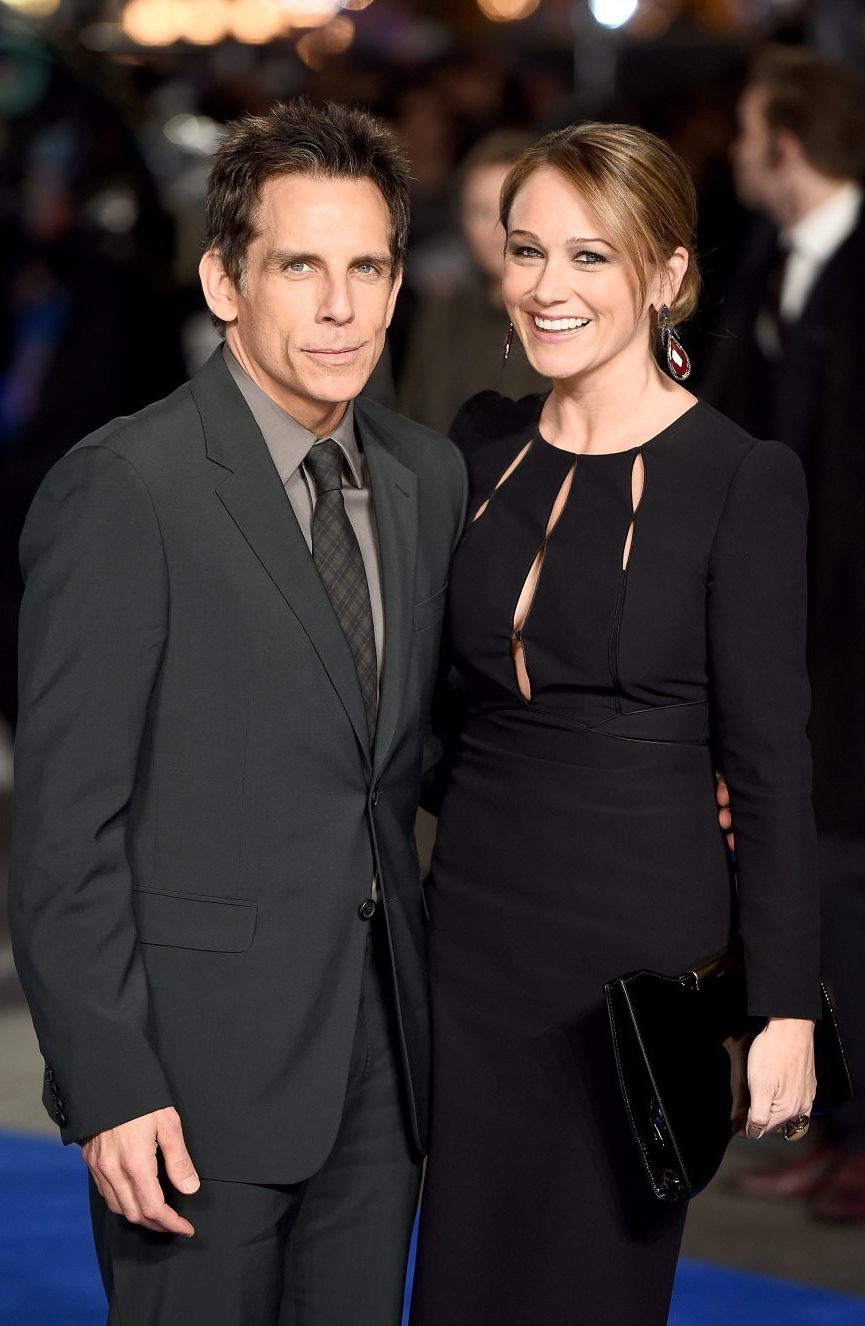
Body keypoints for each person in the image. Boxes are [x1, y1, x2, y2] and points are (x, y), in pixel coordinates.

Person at [8, 99, 467, 1326]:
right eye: (300, 266)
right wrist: (108, 1082)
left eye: (367, 267)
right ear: (224, 279)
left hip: (382, 1069)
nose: (341, 306)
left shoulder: (429, 477)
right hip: (191, 1082)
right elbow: (64, 832)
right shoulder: (125, 488)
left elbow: (414, 759)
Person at [408, 121, 820, 1326]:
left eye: (592, 257)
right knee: (463, 1281)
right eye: (528, 250)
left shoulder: (739, 480)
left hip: (640, 963)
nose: (548, 287)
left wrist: (783, 1007)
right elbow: (428, 709)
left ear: (666, 276)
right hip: (475, 937)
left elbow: (772, 767)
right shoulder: (477, 446)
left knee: (592, 1288)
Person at [699, 45, 865, 1221]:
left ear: (786, 144)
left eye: (750, 128)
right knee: (816, 892)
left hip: (856, 661)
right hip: (799, 655)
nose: (736, 151)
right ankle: (840, 1123)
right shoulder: (773, 264)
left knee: (850, 891)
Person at [397, 130, 548, 433]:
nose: (497, 228)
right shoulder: (442, 314)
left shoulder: (565, 316)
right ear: (461, 220)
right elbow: (411, 422)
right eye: (480, 211)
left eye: (510, 210)